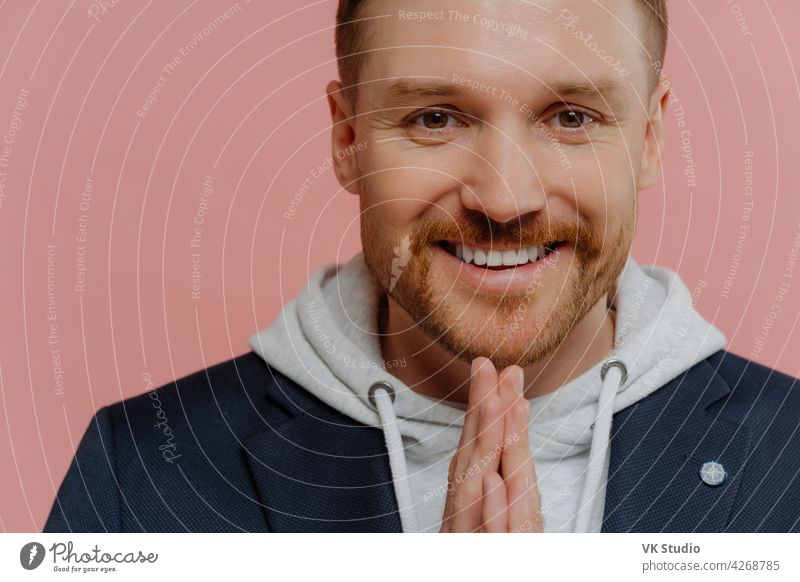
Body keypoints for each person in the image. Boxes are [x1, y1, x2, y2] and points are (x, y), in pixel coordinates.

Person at [45, 0, 800, 533]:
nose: (505, 198)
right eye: (435, 118)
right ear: (346, 139)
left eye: (571, 117)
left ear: (652, 138)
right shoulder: (138, 468)